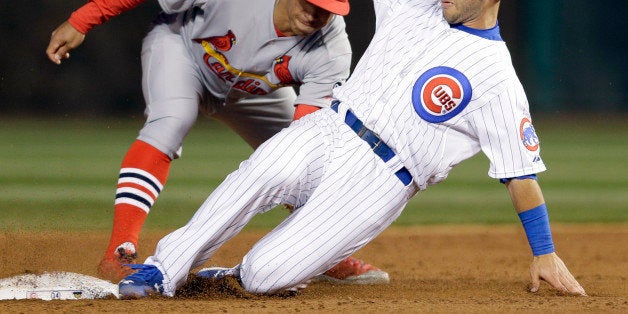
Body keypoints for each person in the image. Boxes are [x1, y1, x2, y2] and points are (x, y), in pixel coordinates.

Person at [116, 0, 588, 298]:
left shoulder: (498, 80)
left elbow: (520, 175)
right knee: (257, 174)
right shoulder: (413, 6)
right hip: (331, 126)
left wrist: (544, 253)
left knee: (265, 277)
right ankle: (162, 269)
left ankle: (237, 274)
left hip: (380, 180)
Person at [45, 0, 390, 285]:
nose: (317, 13)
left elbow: (305, 134)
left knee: (306, 158)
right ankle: (118, 253)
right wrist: (83, 20)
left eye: (328, 8)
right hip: (181, 50)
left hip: (248, 91)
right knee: (171, 122)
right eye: (311, 2)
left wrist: (293, 166)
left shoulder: (330, 50)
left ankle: (321, 253)